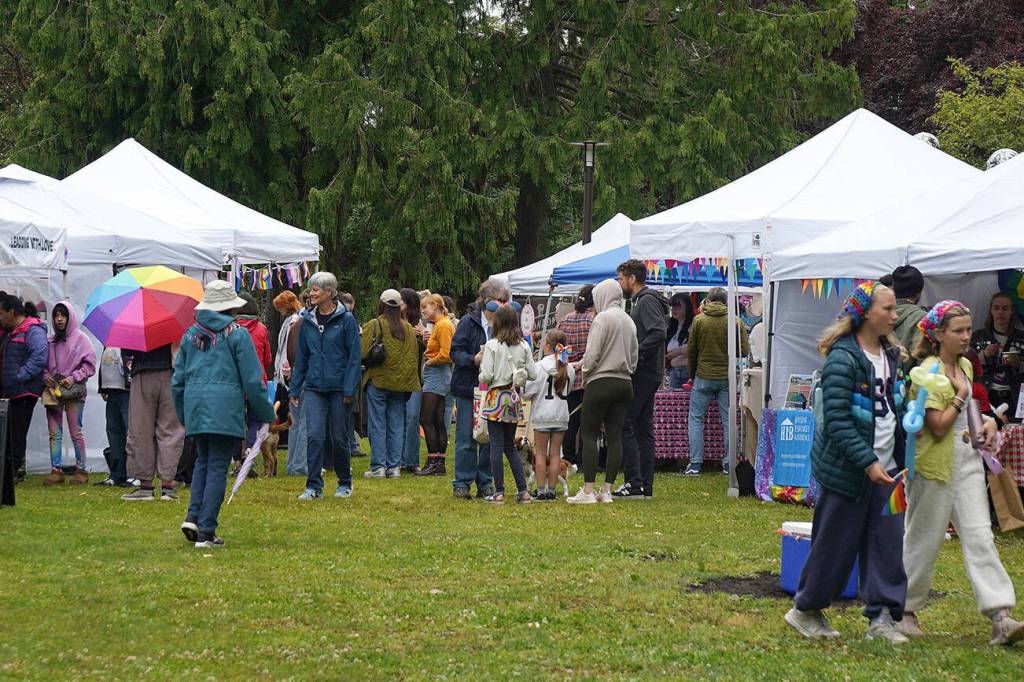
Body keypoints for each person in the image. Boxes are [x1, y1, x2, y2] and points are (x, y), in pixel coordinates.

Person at [785, 281, 909, 643]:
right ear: (866, 313)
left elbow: (894, 411)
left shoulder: (892, 355)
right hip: (848, 474)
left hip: (889, 474)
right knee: (834, 546)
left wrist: (899, 461)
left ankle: (882, 619)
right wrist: (867, 462)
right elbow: (836, 420)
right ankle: (805, 610)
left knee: (888, 547)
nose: (895, 315)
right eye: (887, 309)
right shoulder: (843, 357)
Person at [900, 301, 1024, 645]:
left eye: (969, 329)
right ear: (938, 335)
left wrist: (985, 421)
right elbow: (938, 428)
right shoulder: (927, 371)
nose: (967, 336)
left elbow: (970, 413)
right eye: (959, 330)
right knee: (923, 539)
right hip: (932, 466)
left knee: (981, 536)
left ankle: (1001, 616)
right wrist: (961, 397)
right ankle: (904, 611)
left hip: (968, 462)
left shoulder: (966, 365)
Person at [174, 280, 276, 548]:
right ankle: (206, 530)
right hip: (224, 409)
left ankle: (193, 516)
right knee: (217, 466)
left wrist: (184, 414)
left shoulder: (189, 335)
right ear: (230, 306)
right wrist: (266, 412)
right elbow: (253, 380)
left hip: (195, 406)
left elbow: (178, 380)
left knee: (202, 463)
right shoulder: (237, 334)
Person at [291, 272, 362, 499]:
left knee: (340, 438)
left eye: (315, 290)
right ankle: (313, 487)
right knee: (314, 436)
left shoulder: (346, 320)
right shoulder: (307, 321)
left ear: (329, 292)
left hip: (340, 389)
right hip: (313, 387)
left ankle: (344, 482)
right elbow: (301, 357)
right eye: (311, 289)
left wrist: (350, 388)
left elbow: (354, 357)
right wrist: (295, 388)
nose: (311, 294)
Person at [566, 279, 638, 504]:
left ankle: (588, 490)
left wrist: (585, 371)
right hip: (625, 382)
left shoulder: (602, 318)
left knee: (589, 434)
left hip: (601, 382)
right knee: (615, 436)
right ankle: (607, 490)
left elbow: (592, 354)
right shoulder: (629, 320)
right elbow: (634, 357)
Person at [450, 278, 509, 499]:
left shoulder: (504, 326)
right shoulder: (468, 322)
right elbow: (454, 352)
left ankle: (486, 482)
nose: (502, 305)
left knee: (490, 439)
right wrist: (473, 359)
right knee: (466, 437)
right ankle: (462, 482)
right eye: (499, 300)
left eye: (505, 301)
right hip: (468, 389)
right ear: (486, 301)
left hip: (494, 390)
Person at [615, 259, 668, 500]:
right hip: (650, 372)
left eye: (621, 278)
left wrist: (635, 353)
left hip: (644, 372)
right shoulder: (643, 300)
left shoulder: (646, 301)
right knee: (642, 428)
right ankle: (645, 485)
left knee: (625, 422)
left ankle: (634, 482)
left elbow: (658, 332)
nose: (619, 283)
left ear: (632, 279)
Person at [684, 287, 749, 476]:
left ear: (709, 301)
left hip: (703, 375)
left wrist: (692, 373)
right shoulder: (735, 321)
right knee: (729, 421)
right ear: (726, 301)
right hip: (726, 377)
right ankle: (729, 464)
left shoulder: (699, 320)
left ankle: (695, 464)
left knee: (696, 419)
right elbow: (744, 351)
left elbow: (692, 351)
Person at [478, 304, 537, 504]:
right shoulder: (524, 346)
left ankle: (499, 491)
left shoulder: (493, 345)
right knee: (510, 446)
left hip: (496, 396)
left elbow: (486, 375)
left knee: (496, 445)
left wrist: (481, 373)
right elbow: (534, 373)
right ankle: (523, 491)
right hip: (513, 398)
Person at [361, 289, 421, 478]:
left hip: (378, 381)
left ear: (381, 305)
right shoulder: (409, 329)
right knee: (396, 424)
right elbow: (414, 358)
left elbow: (362, 353)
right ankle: (394, 467)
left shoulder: (375, 324)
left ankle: (378, 466)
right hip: (401, 385)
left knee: (378, 423)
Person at [39, 301, 97, 485]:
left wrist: (72, 378)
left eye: (63, 315)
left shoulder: (82, 340)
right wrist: (46, 377)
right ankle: (56, 471)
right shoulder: (49, 341)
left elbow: (89, 365)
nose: (59, 319)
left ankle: (81, 470)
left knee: (75, 432)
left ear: (70, 317)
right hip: (53, 392)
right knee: (54, 433)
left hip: (74, 393)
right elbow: (41, 365)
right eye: (56, 316)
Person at [121, 339, 186, 501]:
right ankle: (167, 486)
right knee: (171, 430)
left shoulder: (136, 318)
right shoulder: (174, 317)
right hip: (172, 372)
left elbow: (127, 351)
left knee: (140, 429)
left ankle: (145, 486)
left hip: (143, 372)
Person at [0, 294, 48, 483]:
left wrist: (19, 376)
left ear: (12, 312)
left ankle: (15, 470)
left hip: (23, 391)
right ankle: (10, 469)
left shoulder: (32, 329)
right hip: (9, 391)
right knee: (8, 432)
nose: (0, 317)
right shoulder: (10, 331)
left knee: (17, 432)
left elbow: (39, 357)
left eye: (1, 313)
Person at [523, 329, 575, 500]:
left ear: (547, 346)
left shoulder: (539, 367)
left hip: (543, 414)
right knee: (555, 454)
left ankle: (540, 490)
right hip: (561, 415)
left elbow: (528, 391)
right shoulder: (569, 368)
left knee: (540, 454)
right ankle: (551, 490)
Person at [971, 292, 1024, 421]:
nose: (1000, 312)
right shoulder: (978, 336)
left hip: (1015, 396)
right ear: (991, 311)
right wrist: (983, 355)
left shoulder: (1022, 338)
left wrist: (1019, 364)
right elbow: (966, 366)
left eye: (1005, 308)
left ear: (1012, 311)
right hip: (987, 395)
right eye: (996, 308)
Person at [417, 294, 455, 477]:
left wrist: (430, 361)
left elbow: (447, 354)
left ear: (437, 306)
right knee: (438, 419)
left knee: (425, 418)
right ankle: (439, 462)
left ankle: (434, 461)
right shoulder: (441, 324)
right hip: (439, 373)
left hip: (438, 373)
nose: (423, 311)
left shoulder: (443, 325)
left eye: (426, 307)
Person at [557, 285, 594, 466]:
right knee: (588, 423)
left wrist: (567, 364)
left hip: (569, 378)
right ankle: (585, 459)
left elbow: (559, 351)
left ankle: (569, 458)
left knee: (570, 422)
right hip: (588, 378)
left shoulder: (565, 320)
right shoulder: (593, 321)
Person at [272, 291, 307, 476]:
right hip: (292, 375)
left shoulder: (294, 321)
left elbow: (287, 350)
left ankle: (295, 464)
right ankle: (298, 465)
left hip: (290, 374)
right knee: (300, 423)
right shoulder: (294, 321)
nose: (279, 311)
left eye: (280, 307)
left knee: (296, 422)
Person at [398, 288, 426, 474]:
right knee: (398, 418)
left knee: (413, 417)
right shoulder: (394, 323)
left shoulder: (421, 325)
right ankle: (397, 459)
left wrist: (424, 338)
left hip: (416, 378)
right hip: (398, 377)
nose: (397, 303)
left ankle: (411, 460)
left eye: (401, 300)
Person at [97, 347, 132, 487]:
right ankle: (117, 474)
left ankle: (133, 474)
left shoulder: (130, 338)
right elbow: (103, 365)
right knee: (113, 431)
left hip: (126, 392)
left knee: (130, 433)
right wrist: (103, 387)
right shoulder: (109, 338)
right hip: (111, 391)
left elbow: (130, 364)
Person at [339, 292, 367, 459]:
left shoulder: (350, 322)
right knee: (346, 413)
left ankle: (352, 443)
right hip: (345, 374)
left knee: (351, 413)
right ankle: (350, 444)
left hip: (352, 374)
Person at [891, 265, 928, 360]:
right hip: (912, 374)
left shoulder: (881, 313)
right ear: (919, 292)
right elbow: (921, 356)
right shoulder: (921, 317)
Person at [666, 292, 693, 389]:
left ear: (687, 307)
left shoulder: (694, 325)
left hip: (689, 373)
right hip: (673, 372)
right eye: (672, 306)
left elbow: (697, 348)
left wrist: (678, 352)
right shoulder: (671, 327)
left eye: (677, 306)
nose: (673, 309)